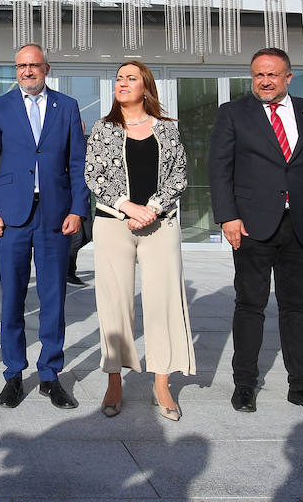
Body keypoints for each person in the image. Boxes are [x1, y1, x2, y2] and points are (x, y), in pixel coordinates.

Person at [209, 47, 303, 418]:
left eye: (272, 74)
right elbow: (219, 168)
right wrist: (227, 217)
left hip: (301, 225)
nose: (265, 81)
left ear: (289, 77)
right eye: (258, 75)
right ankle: (244, 385)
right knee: (250, 305)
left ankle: (302, 386)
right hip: (252, 225)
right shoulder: (234, 113)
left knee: (296, 307)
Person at [0, 43, 89, 410]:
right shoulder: (0, 106)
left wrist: (78, 209)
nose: (27, 71)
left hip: (55, 217)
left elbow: (78, 164)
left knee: (53, 297)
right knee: (12, 297)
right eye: (21, 66)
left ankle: (49, 374)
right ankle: (13, 373)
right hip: (11, 217)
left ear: (47, 68)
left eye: (34, 65)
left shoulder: (67, 107)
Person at [84, 61, 194, 420]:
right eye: (118, 78)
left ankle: (161, 382)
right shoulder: (104, 128)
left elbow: (179, 175)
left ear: (146, 86)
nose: (122, 83)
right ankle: (115, 380)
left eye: (131, 78)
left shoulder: (168, 129)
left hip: (161, 225)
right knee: (115, 304)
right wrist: (128, 207)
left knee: (163, 303)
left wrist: (153, 208)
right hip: (113, 223)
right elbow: (93, 175)